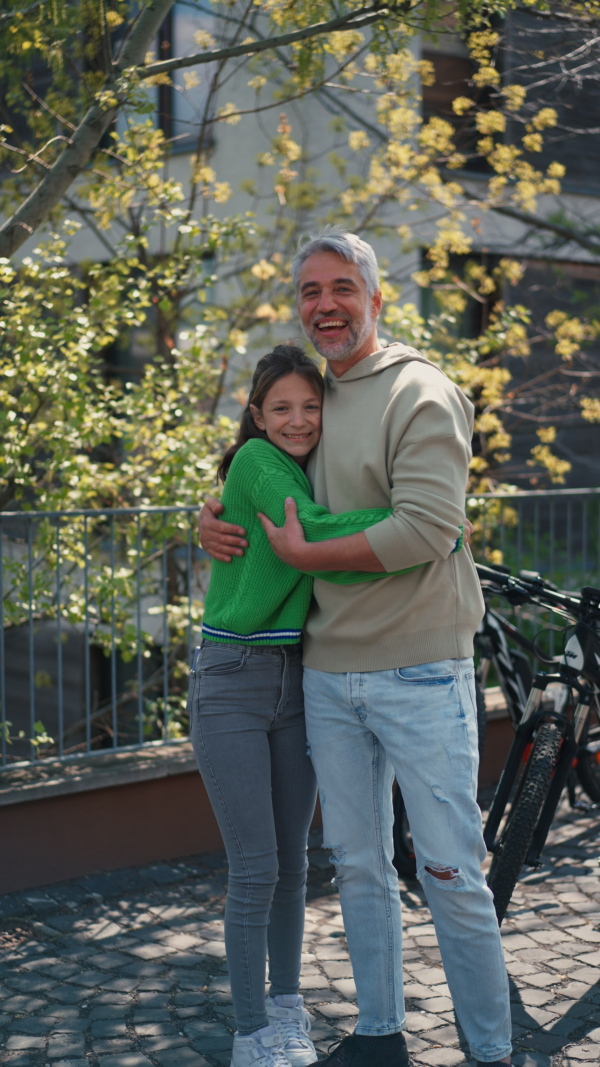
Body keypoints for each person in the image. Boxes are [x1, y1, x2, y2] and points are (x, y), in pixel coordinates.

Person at [198, 230, 514, 1067]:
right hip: (327, 674)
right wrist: (217, 517)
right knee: (360, 868)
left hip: (418, 667)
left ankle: (490, 1048)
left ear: (376, 298)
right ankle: (380, 1035)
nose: (325, 303)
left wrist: (304, 554)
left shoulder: (421, 392)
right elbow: (270, 462)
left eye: (342, 287)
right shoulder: (319, 393)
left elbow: (427, 528)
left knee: (449, 871)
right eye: (310, 291)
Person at [190, 343, 431, 1067]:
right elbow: (311, 534)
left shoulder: (306, 463)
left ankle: (287, 1012)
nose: (298, 419)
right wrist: (421, 530)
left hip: (296, 675)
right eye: (282, 408)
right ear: (257, 415)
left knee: (293, 864)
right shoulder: (258, 463)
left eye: (309, 406)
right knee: (257, 866)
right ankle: (248, 1034)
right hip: (233, 675)